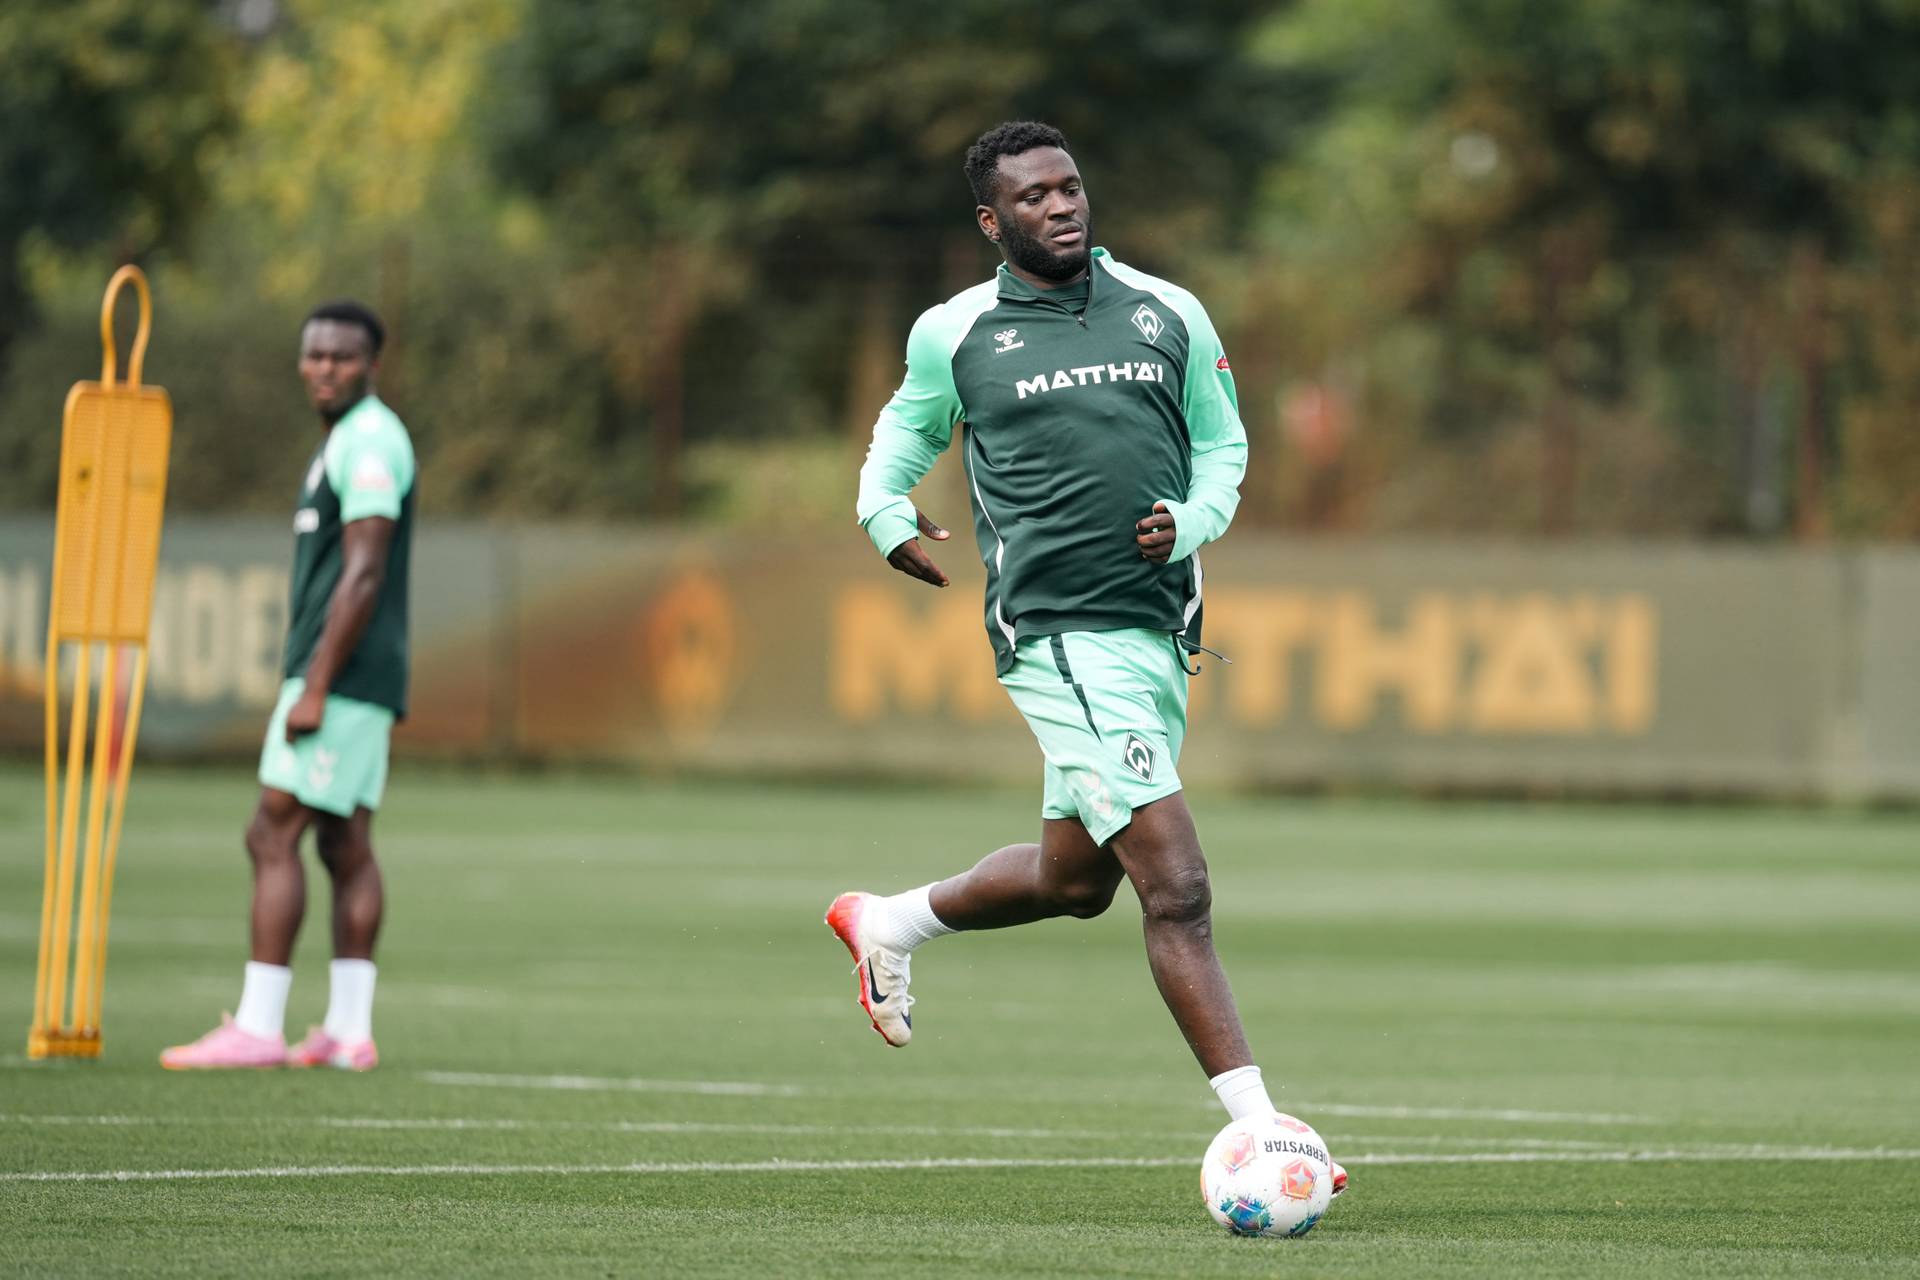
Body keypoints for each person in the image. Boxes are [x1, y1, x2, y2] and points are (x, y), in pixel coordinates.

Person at [827, 121, 1343, 1195]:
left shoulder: (1169, 312)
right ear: (991, 219)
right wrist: (884, 512)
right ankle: (1266, 1131)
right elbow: (904, 432)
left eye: (1071, 188)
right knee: (1180, 886)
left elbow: (1225, 445)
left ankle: (890, 919)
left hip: (1156, 635)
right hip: (1053, 636)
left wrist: (1192, 522)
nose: (1061, 206)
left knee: (1076, 882)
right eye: (1033, 196)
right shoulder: (956, 331)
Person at [161, 300, 416, 1072]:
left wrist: (315, 686)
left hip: (339, 677)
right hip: (355, 676)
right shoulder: (345, 438)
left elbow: (365, 571)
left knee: (271, 831)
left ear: (372, 362)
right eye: (313, 355)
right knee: (344, 843)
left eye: (341, 357)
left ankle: (260, 1026)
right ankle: (346, 1032)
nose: (324, 369)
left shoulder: (369, 438)